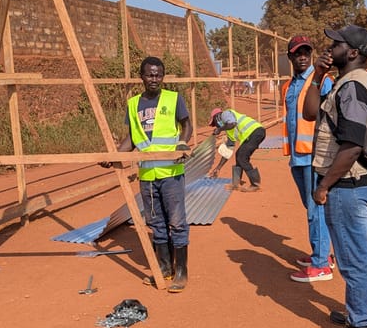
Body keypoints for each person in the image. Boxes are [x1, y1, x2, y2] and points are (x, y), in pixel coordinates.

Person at [304, 25, 367, 328]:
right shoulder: (341, 83)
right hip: (353, 183)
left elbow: (351, 145)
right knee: (361, 253)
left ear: (352, 52)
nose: (329, 46)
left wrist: (323, 186)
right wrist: (318, 73)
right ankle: (363, 312)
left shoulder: (352, 87)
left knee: (352, 259)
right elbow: (309, 112)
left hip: (347, 184)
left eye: (336, 43)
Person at [107, 56, 194, 292]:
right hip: (147, 175)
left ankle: (181, 272)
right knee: (156, 223)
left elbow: (187, 125)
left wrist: (182, 144)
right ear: (142, 77)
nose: (154, 79)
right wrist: (116, 156)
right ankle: (164, 268)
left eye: (158, 74)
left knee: (176, 222)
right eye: (149, 74)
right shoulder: (134, 104)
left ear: (162, 76)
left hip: (171, 174)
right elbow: (133, 138)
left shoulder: (173, 99)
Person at [281, 36, 337, 283]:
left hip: (314, 155)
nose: (303, 56)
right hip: (297, 155)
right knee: (312, 207)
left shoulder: (323, 81)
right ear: (290, 57)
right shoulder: (288, 86)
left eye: (306, 52)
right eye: (298, 53)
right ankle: (323, 252)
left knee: (316, 209)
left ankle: (321, 263)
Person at [208, 106, 265, 192]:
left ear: (217, 117)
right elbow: (228, 152)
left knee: (242, 157)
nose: (215, 125)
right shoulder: (229, 131)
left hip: (255, 132)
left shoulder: (225, 114)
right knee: (239, 155)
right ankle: (236, 183)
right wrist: (218, 168)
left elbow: (232, 124)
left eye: (215, 123)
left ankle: (255, 184)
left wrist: (219, 129)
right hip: (252, 135)